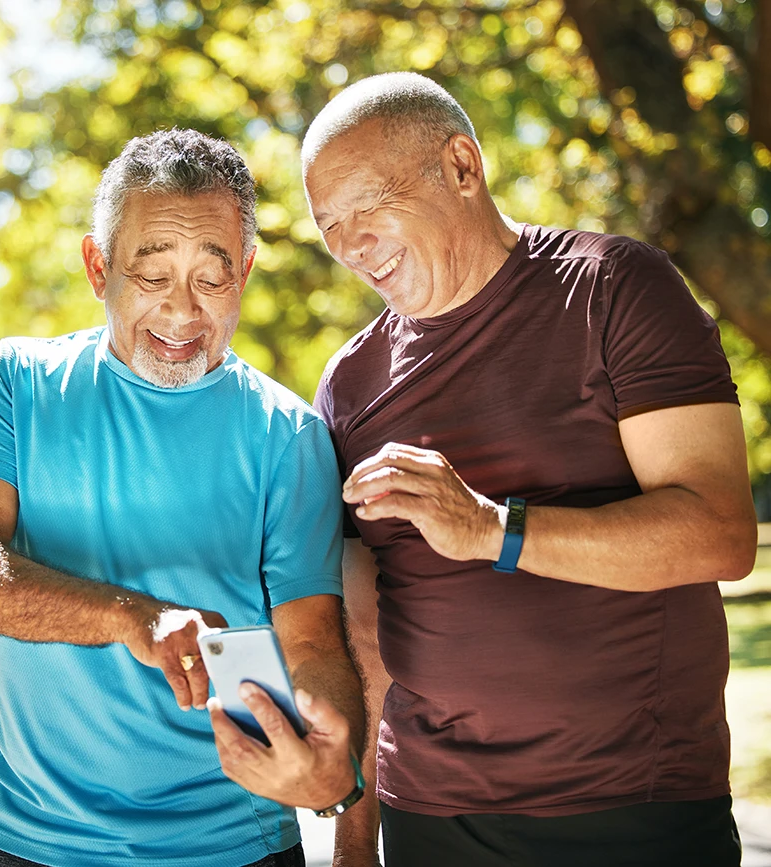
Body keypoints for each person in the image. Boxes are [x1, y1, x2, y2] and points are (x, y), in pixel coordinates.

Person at [210, 72, 756, 867]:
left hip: (634, 805)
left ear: (462, 166)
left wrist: (491, 528)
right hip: (430, 817)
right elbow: (362, 628)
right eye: (330, 225)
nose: (352, 244)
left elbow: (719, 531)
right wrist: (355, 838)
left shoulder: (613, 287)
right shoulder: (350, 384)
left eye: (368, 204)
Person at [0, 128, 366, 867]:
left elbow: (315, 643)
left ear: (247, 273)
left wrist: (329, 760)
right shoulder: (15, 385)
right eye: (153, 273)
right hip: (26, 843)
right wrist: (134, 616)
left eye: (211, 277)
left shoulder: (290, 436)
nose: (182, 312)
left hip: (236, 847)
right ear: (99, 268)